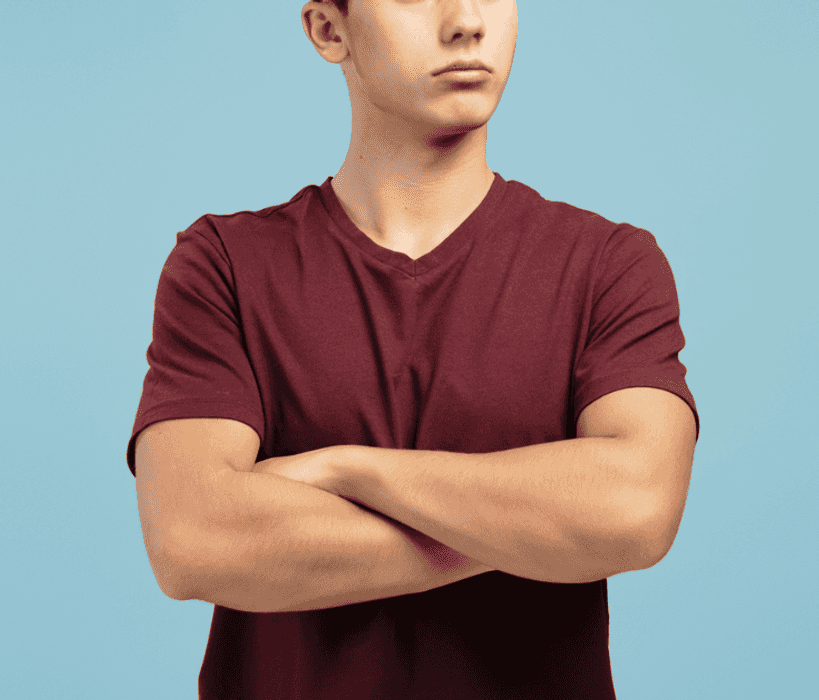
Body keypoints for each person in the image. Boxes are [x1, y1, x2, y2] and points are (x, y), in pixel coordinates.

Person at [127, 1, 699, 697]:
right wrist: (538, 529)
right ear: (328, 30)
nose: (466, 21)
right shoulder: (223, 265)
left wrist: (346, 469)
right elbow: (195, 542)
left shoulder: (608, 264)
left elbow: (633, 512)